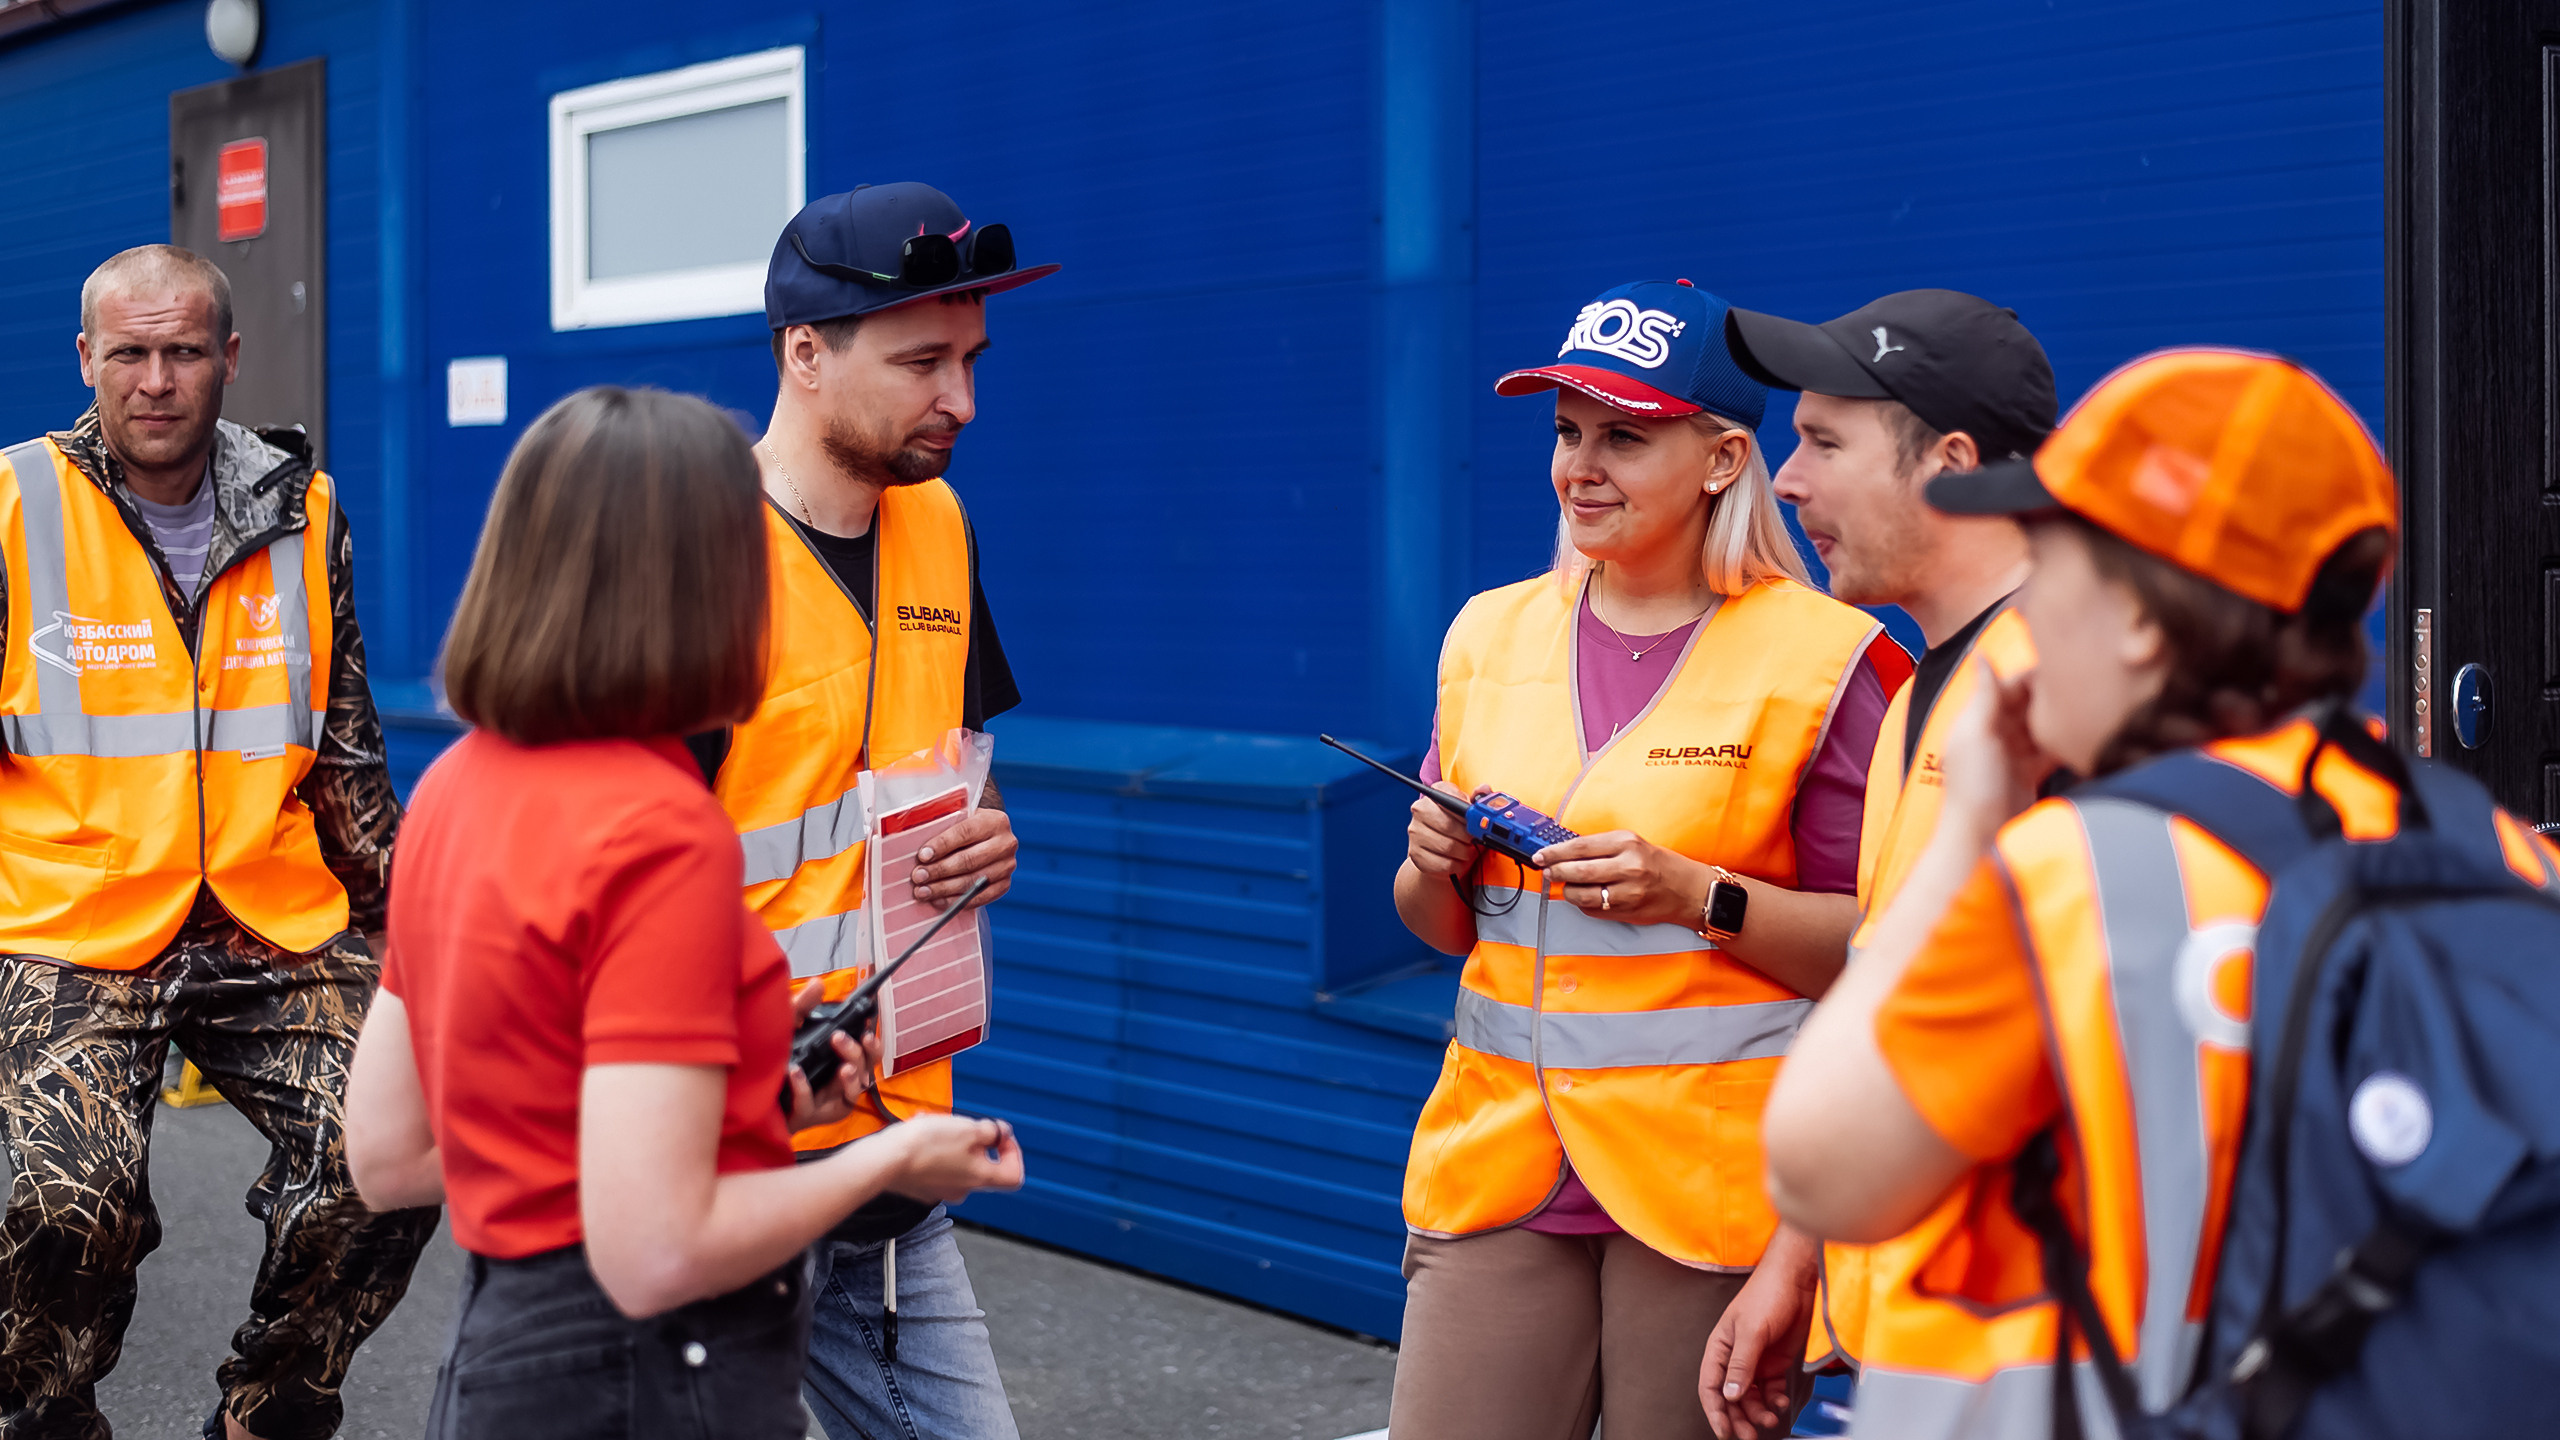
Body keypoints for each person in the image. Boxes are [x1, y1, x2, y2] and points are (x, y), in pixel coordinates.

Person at [1760, 349, 2471, 1436]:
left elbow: (1819, 1168)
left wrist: (1968, 834)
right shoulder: (2493, 852)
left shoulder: (2084, 875)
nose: (2029, 615)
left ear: (2139, 621)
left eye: (2054, 569)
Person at [342, 386, 1024, 1440]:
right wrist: (888, 1157)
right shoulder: (660, 833)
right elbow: (653, 1248)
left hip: (502, 1370)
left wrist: (744, 1120)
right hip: (655, 1386)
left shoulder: (456, 789)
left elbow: (387, 1157)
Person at [1384, 279, 1911, 1440]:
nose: (1582, 465)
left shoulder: (1829, 663)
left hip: (1708, 1191)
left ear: (1722, 458)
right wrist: (1431, 863)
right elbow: (1443, 926)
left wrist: (1698, 897)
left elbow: (1887, 958)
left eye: (1624, 436)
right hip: (1499, 1169)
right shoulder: (1487, 631)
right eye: (1568, 432)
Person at [0, 245, 434, 1440]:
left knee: (390, 1157)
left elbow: (345, 750)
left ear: (228, 359)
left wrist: (412, 934)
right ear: (84, 358)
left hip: (268, 914)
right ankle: (46, 1410)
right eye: (128, 353)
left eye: (183, 351)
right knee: (68, 1202)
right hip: (73, 926)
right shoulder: (13, 508)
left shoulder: (306, 511)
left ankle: (275, 1405)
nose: (155, 379)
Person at [682, 181, 1051, 1440]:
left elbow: (957, 756)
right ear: (804, 353)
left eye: (970, 360)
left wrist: (984, 831)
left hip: (891, 1160)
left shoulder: (938, 525)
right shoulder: (693, 560)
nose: (962, 400)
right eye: (922, 363)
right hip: (720, 1170)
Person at [1711, 289, 2056, 1415]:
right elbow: (1886, 999)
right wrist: (1793, 1267)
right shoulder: (1922, 694)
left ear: (1953, 463)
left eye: (1821, 442)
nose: (1788, 480)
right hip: (1912, 1328)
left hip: (2020, 1350)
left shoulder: (2064, 702)